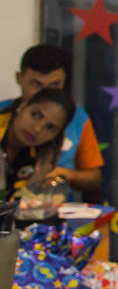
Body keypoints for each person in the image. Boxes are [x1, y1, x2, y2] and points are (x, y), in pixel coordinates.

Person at [0, 44, 102, 194]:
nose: (37, 128)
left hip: (46, 207)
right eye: (36, 85)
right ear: (19, 78)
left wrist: (64, 174)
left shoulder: (78, 118)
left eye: (54, 86)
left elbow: (94, 178)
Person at [1, 87, 75, 196]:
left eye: (50, 127)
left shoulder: (42, 157)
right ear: (22, 106)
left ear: (55, 136)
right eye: (35, 115)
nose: (37, 129)